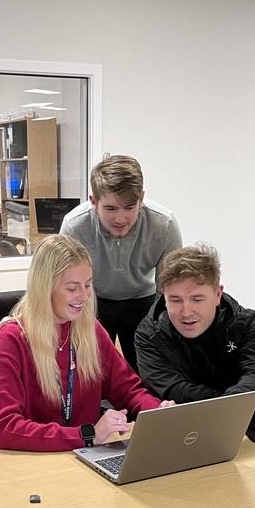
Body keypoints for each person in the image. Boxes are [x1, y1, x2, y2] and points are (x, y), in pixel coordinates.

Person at [0, 234, 174, 452]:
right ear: (45, 288)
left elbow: (128, 389)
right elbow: (4, 428)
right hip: (33, 462)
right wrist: (88, 435)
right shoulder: (12, 338)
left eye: (88, 285)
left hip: (85, 456)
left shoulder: (89, 330)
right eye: (72, 288)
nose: (84, 296)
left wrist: (157, 410)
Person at [135, 243, 255, 418]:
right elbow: (175, 393)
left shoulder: (247, 325)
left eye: (197, 299)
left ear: (218, 294)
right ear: (163, 296)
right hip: (182, 427)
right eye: (175, 300)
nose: (186, 312)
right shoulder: (149, 336)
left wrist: (242, 405)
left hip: (243, 429)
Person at [60, 154, 182, 371]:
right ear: (93, 201)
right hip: (92, 301)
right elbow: (62, 285)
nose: (120, 218)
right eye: (110, 209)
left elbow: (171, 288)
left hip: (143, 301)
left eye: (129, 207)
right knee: (89, 372)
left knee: (148, 373)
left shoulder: (164, 224)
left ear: (141, 198)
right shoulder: (74, 226)